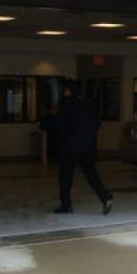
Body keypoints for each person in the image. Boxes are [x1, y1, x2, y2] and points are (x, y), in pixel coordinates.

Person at [54, 79, 113, 214]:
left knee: (65, 175)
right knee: (91, 173)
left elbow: (59, 125)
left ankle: (66, 205)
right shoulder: (90, 104)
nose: (64, 92)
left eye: (65, 89)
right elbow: (97, 123)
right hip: (89, 145)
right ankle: (105, 196)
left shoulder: (66, 105)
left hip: (70, 145)